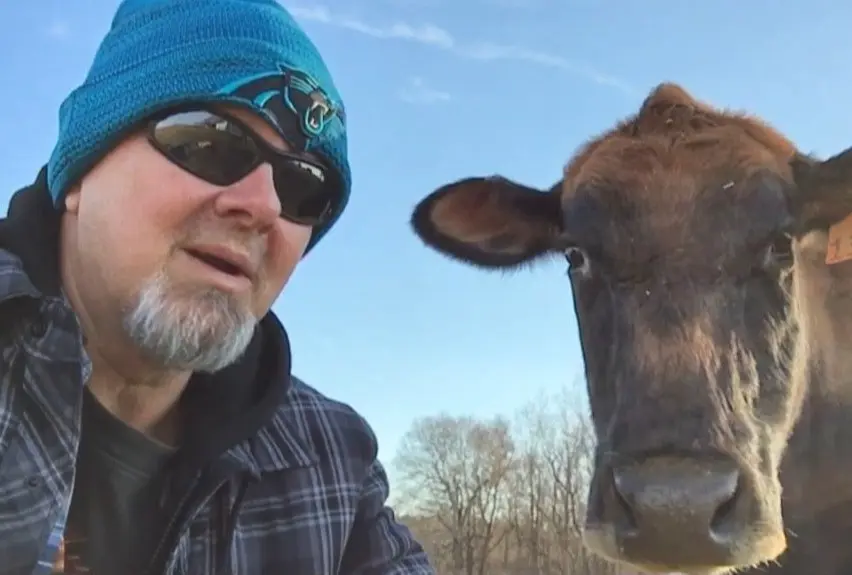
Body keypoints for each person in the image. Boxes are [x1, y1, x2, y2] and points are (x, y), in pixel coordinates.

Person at [0, 0, 434, 573]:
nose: (263, 207)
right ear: (80, 171)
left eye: (304, 187)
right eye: (211, 141)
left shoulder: (333, 464)